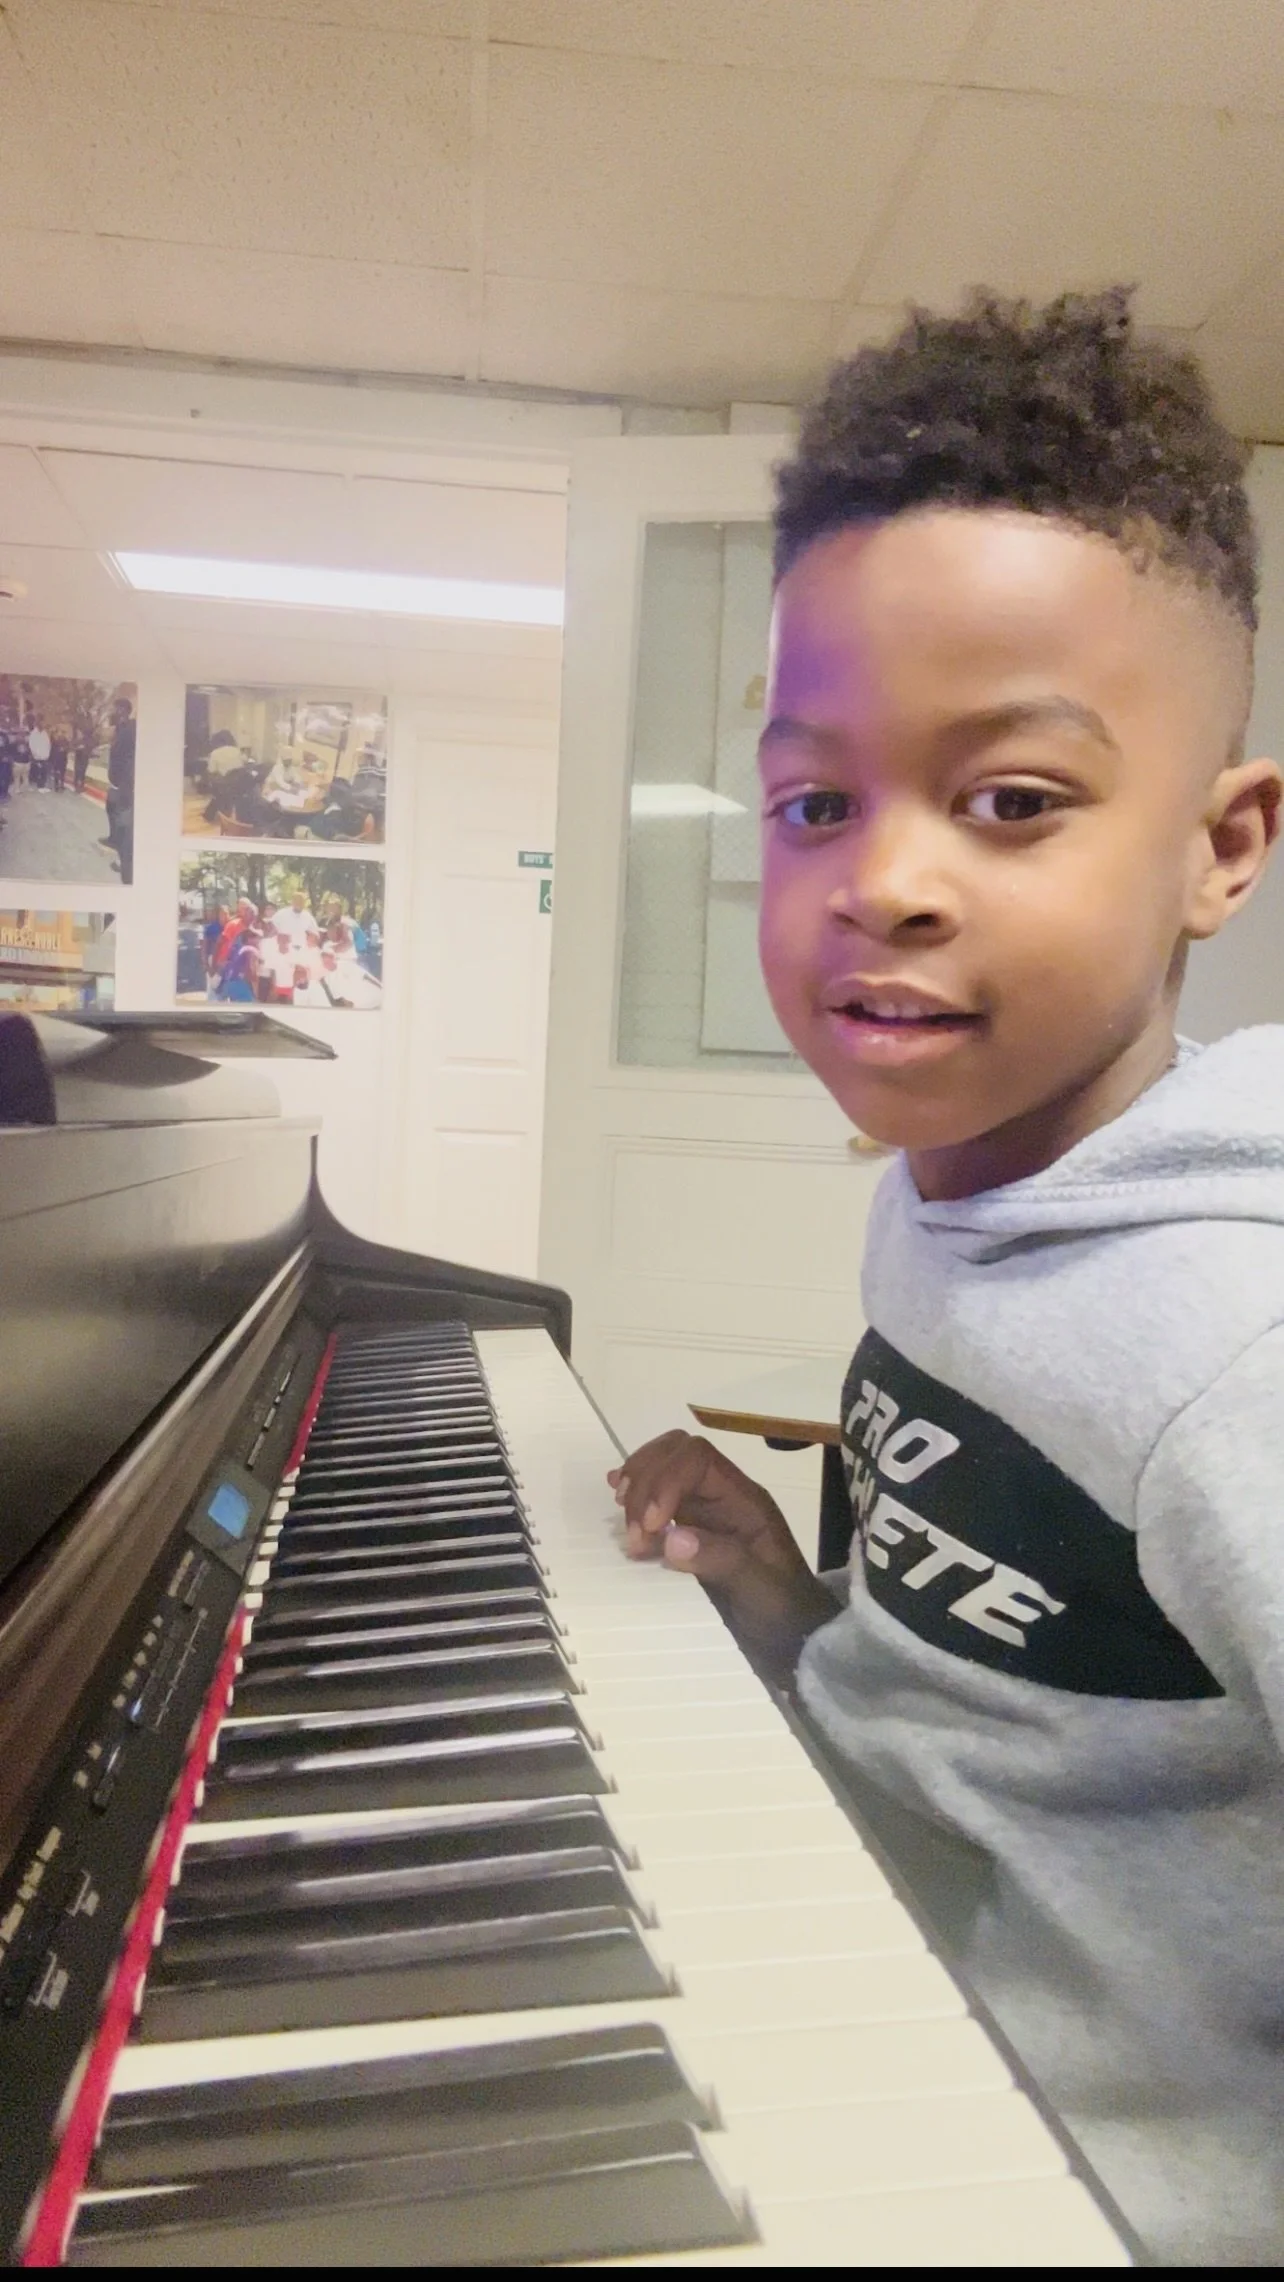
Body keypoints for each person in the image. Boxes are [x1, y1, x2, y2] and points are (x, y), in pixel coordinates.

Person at [609, 289, 1284, 2267]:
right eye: (818, 797)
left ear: (1218, 849)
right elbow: (1014, 1740)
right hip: (853, 1992)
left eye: (1011, 799)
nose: (881, 879)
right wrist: (780, 1592)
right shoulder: (951, 1186)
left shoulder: (1237, 1357)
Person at [101, 696, 136, 884]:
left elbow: (129, 755)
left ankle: (123, 861)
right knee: (111, 809)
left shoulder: (131, 728)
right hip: (116, 780)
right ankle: (114, 840)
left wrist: (126, 782)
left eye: (116, 709)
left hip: (125, 782)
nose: (114, 712)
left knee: (124, 822)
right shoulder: (120, 728)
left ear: (123, 710)